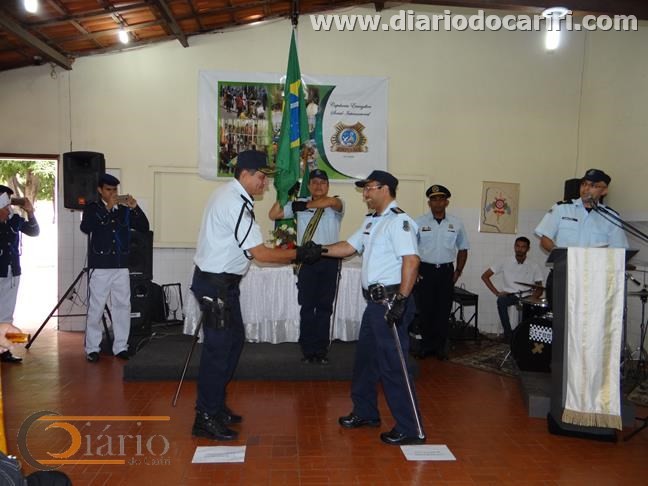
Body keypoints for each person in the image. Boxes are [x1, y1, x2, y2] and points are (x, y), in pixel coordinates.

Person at [191, 150, 324, 442]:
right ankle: (205, 416)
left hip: (221, 285)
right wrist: (300, 253)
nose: (265, 183)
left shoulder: (229, 194)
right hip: (216, 286)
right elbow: (261, 254)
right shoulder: (235, 202)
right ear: (245, 174)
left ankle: (215, 405)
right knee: (218, 351)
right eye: (262, 177)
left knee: (233, 342)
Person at [322, 170, 425, 446]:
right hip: (374, 305)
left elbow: (411, 261)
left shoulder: (399, 221)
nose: (365, 194)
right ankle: (366, 412)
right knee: (365, 361)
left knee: (394, 365)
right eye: (364, 189)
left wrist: (401, 301)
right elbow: (348, 247)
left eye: (369, 188)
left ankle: (411, 428)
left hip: (391, 302)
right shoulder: (372, 221)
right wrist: (315, 249)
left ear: (385, 189)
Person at [269, 169, 344, 364]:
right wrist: (284, 195)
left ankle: (321, 351)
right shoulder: (298, 203)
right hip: (307, 261)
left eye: (323, 182)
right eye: (315, 182)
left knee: (325, 307)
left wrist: (303, 205)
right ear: (309, 185)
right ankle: (308, 350)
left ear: (328, 186)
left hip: (329, 260)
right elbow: (273, 214)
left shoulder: (335, 203)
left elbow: (330, 202)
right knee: (307, 307)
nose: (318, 186)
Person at [80, 174, 150, 363]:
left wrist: (135, 208)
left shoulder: (124, 210)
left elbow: (144, 227)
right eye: (108, 190)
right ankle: (92, 348)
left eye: (115, 190)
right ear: (100, 190)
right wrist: (107, 208)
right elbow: (86, 227)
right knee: (96, 308)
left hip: (121, 266)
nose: (112, 193)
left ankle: (120, 347)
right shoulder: (92, 208)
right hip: (100, 266)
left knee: (122, 306)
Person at [535, 169, 629, 304]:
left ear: (604, 191)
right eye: (584, 184)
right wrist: (563, 256)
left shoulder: (611, 217)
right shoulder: (561, 208)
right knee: (561, 316)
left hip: (595, 279)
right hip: (563, 275)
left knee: (592, 317)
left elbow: (619, 251)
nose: (586, 189)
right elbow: (545, 240)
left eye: (593, 185)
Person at [413, 184, 469, 360]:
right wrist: (414, 270)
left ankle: (440, 348)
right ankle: (426, 346)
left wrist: (458, 271)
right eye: (434, 199)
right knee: (425, 310)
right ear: (429, 203)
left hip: (446, 272)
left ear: (446, 202)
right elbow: (411, 249)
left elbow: (463, 248)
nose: (437, 203)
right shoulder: (418, 223)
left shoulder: (456, 223)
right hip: (425, 271)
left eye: (441, 199)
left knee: (443, 310)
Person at [0, 185, 40, 363]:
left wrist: (30, 212)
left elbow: (34, 231)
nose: (8, 205)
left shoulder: (14, 219)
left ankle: (4, 350)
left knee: (7, 314)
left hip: (12, 271)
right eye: (5, 201)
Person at [480, 236, 544, 341]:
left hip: (527, 296)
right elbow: (485, 276)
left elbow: (540, 288)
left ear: (528, 249)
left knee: (535, 309)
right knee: (501, 301)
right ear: (514, 247)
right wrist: (497, 293)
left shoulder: (534, 265)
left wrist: (533, 297)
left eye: (523, 247)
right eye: (517, 246)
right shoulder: (505, 261)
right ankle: (508, 334)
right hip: (510, 295)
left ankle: (525, 334)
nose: (520, 249)